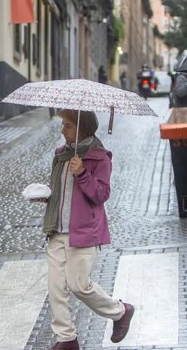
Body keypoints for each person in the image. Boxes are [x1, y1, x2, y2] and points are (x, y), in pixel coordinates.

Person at [32, 109, 135, 350]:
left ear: (83, 129)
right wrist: (46, 197)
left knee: (79, 285)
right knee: (56, 287)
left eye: (67, 126)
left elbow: (101, 195)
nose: (62, 130)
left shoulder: (100, 157)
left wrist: (82, 173)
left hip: (83, 231)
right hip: (56, 230)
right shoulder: (60, 154)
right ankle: (66, 339)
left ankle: (120, 312)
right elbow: (60, 192)